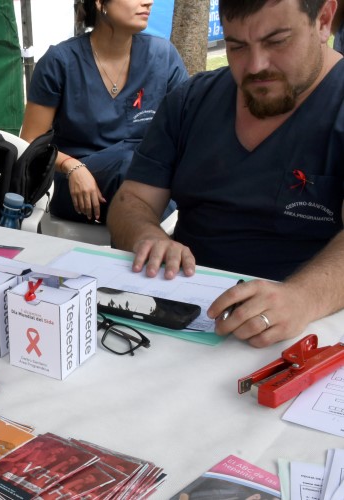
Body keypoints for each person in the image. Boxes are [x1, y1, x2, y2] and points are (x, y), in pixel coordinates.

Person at [107, 0, 344, 347]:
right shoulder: (191, 100)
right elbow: (132, 201)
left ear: (323, 20)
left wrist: (302, 298)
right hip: (184, 318)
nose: (256, 66)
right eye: (237, 46)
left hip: (307, 334)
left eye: (277, 41)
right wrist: (147, 235)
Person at [19, 0, 187, 224]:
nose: (148, 2)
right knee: (132, 168)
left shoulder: (163, 55)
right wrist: (71, 166)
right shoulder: (59, 62)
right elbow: (30, 141)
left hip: (147, 178)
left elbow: (187, 129)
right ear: (100, 3)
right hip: (77, 183)